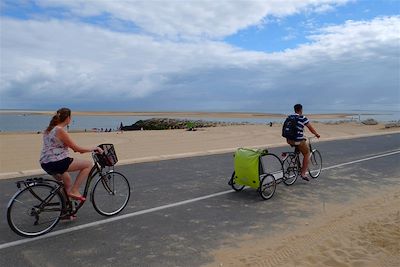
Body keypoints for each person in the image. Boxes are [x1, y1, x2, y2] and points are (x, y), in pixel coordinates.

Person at [40, 108, 102, 201]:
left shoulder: (49, 129)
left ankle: (66, 211)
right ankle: (75, 191)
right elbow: (77, 149)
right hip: (57, 162)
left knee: (67, 182)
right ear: (68, 118)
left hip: (45, 163)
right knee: (88, 164)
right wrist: (94, 148)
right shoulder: (60, 130)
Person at [285, 104, 320, 181]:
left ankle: (295, 158)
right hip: (298, 141)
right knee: (307, 153)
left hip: (289, 140)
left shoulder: (289, 117)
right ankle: (303, 173)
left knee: (299, 146)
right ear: (301, 109)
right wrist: (316, 134)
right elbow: (311, 128)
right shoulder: (302, 118)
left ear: (294, 110)